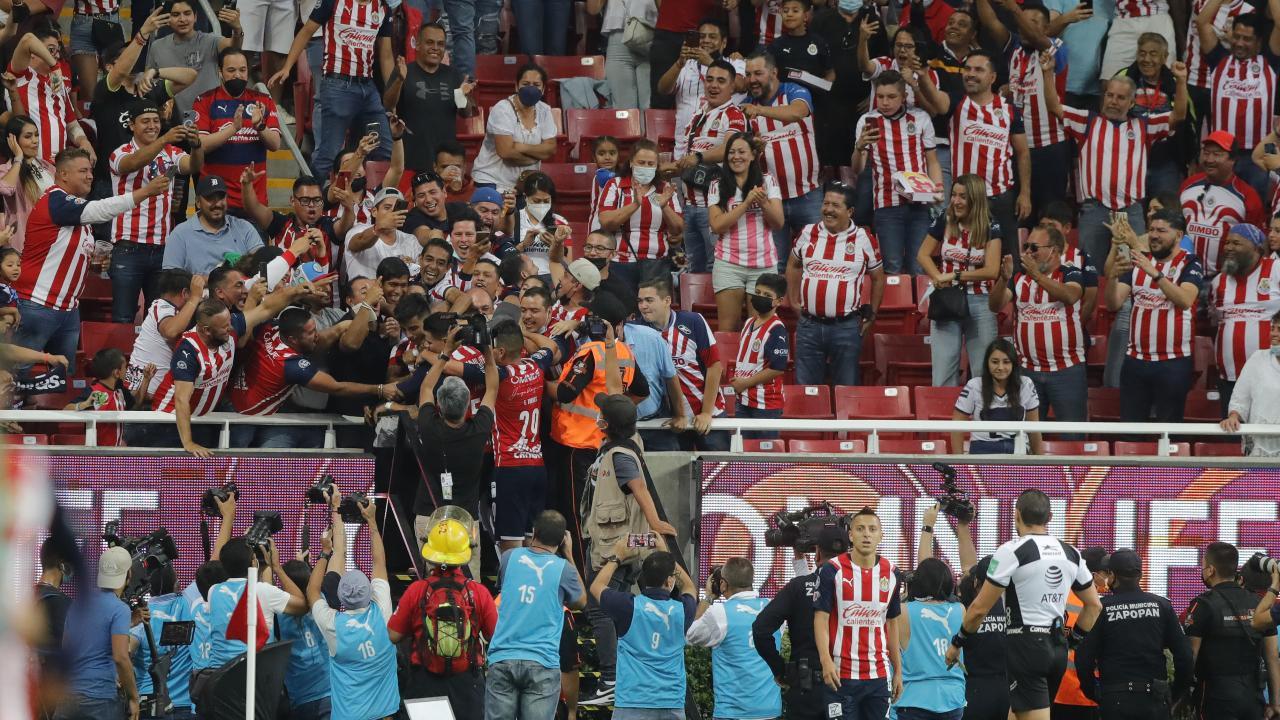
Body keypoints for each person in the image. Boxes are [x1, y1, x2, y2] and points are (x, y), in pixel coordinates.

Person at [945, 490, 1102, 720]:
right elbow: (1094, 606)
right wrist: (1071, 642)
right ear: (1049, 517)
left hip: (1026, 647)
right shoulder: (1071, 553)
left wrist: (957, 642)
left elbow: (979, 608)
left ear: (1016, 515)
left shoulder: (1012, 550)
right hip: (1056, 649)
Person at [12, 148, 170, 376]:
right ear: (63, 174)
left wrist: (93, 266)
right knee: (15, 376)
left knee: (62, 380)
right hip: (37, 304)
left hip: (68, 309)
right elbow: (101, 209)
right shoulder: (55, 199)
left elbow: (70, 252)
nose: (90, 176)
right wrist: (144, 192)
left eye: (91, 171)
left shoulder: (76, 212)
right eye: (83, 171)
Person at [579, 390, 679, 706]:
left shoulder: (621, 454)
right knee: (610, 608)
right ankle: (620, 673)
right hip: (608, 541)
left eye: (601, 414)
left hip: (615, 547)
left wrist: (656, 522)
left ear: (605, 423)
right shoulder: (613, 448)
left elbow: (639, 487)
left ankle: (611, 678)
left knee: (600, 608)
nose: (597, 416)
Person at [548, 292, 652, 573]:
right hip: (607, 445)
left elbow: (566, 391)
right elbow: (642, 392)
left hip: (578, 445)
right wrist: (618, 411)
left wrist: (541, 382)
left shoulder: (591, 352)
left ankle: (584, 580)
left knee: (578, 517)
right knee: (606, 516)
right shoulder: (625, 353)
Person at [1058, 69, 1188, 268]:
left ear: (1131, 102)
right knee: (1089, 269)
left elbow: (1178, 115)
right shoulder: (1087, 121)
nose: (1113, 101)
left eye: (1120, 97)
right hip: (1094, 208)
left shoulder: (1144, 126)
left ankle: (1126, 300)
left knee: (1130, 269)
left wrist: (1181, 81)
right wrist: (1048, 71)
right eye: (1109, 95)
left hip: (1130, 210)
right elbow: (1054, 107)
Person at [230, 305, 401, 445]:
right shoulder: (291, 365)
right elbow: (338, 387)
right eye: (311, 333)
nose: (317, 335)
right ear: (293, 339)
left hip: (239, 402)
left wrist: (340, 327)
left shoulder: (271, 328)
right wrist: (379, 389)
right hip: (242, 415)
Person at [389, 508, 498, 720]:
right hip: (467, 684)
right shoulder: (479, 593)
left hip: (425, 683)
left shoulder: (417, 590)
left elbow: (392, 635)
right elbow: (496, 636)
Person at [268, 0, 393, 183]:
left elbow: (386, 55)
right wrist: (287, 67)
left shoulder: (383, 8)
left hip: (369, 88)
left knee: (384, 147)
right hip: (337, 85)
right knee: (329, 154)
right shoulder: (333, 2)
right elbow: (306, 31)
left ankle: (374, 203)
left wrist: (394, 96)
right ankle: (311, 200)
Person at [465, 320, 558, 551]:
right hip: (537, 466)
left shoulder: (500, 375)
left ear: (501, 351)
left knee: (509, 540)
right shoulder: (536, 366)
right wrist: (524, 331)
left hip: (509, 467)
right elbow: (551, 347)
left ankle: (510, 585)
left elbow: (452, 368)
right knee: (533, 539)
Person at [306, 491, 400, 720]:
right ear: (370, 591)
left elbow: (312, 591)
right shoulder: (383, 615)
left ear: (340, 598)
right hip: (385, 715)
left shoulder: (333, 626)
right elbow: (379, 562)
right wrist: (371, 521)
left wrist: (325, 552)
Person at [485, 510, 587, 720]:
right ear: (562, 540)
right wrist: (568, 555)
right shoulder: (564, 569)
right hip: (541, 662)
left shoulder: (509, 557)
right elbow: (581, 601)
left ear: (533, 532)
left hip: (504, 656)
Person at [414, 325, 498, 579]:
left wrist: (446, 352)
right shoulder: (479, 429)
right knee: (468, 585)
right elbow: (492, 388)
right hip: (465, 518)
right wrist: (488, 352)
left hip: (429, 514)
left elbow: (425, 388)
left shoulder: (428, 425)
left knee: (431, 585)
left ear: (439, 404)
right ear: (467, 407)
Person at [1105, 207, 1204, 422]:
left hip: (1173, 362)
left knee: (1168, 431)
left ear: (1178, 235)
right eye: (1151, 230)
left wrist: (1155, 273)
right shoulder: (1137, 261)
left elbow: (1185, 300)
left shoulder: (1190, 263)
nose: (1154, 235)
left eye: (1162, 230)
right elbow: (1113, 303)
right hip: (1135, 361)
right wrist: (1112, 279)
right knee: (1131, 430)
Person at [108, 101, 204, 323]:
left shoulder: (171, 152)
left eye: (156, 121)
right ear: (131, 125)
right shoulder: (120, 153)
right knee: (123, 316)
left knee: (159, 316)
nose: (152, 126)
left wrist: (197, 145)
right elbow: (132, 164)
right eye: (145, 121)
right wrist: (164, 139)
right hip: (127, 246)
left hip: (162, 248)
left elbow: (193, 166)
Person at [1072, 549, 1194, 720]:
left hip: (1114, 700)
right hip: (1154, 699)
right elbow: (1185, 656)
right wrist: (1174, 693)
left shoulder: (1101, 608)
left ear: (1112, 576)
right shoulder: (1162, 606)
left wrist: (1094, 692)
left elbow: (1083, 658)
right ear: (1141, 575)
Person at [987, 225, 1088, 425]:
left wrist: (1038, 276)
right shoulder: (1018, 277)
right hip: (1027, 372)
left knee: (1073, 435)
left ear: (1054, 251)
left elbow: (1070, 295)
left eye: (1034, 248)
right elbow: (994, 305)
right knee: (1027, 437)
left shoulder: (1071, 273)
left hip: (1066, 371)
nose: (1027, 253)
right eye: (1026, 247)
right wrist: (1003, 279)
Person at [786, 182, 884, 386]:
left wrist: (872, 314)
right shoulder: (807, 232)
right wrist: (794, 301)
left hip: (846, 327)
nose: (828, 210)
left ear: (850, 211)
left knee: (846, 391)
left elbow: (878, 277)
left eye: (835, 205)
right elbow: (793, 265)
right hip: (808, 326)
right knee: (806, 391)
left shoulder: (864, 238)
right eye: (826, 203)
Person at [591, 536, 698, 719]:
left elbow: (596, 587)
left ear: (642, 576)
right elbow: (689, 587)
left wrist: (616, 557)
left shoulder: (628, 607)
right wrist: (666, 554)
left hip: (632, 701)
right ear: (670, 581)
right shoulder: (682, 610)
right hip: (670, 702)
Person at [814, 507, 903, 720]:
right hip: (840, 675)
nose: (866, 534)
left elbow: (892, 624)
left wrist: (898, 671)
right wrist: (825, 661)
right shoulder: (832, 570)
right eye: (860, 529)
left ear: (881, 535)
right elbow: (820, 619)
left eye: (872, 529)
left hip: (878, 676)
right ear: (850, 535)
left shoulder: (892, 573)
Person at [753, 525, 848, 720]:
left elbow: (761, 629)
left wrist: (780, 670)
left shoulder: (798, 587)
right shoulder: (861, 591)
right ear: (848, 556)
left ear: (817, 553)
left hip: (806, 688)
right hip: (847, 686)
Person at [852, 70, 942, 275]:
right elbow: (857, 169)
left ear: (904, 97)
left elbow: (933, 161)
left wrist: (938, 189)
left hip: (920, 203)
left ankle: (919, 308)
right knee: (891, 267)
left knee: (919, 267)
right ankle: (896, 307)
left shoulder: (920, 118)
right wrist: (859, 147)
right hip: (886, 205)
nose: (885, 102)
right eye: (881, 96)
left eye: (891, 97)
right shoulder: (867, 121)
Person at [918, 174, 1004, 387]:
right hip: (947, 300)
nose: (956, 201)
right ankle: (945, 418)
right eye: (954, 195)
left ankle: (980, 417)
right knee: (943, 372)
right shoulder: (944, 220)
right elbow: (923, 254)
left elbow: (992, 270)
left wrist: (955, 275)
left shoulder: (991, 226)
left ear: (975, 199)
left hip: (981, 301)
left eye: (962, 197)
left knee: (983, 375)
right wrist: (937, 277)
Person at [743, 50, 822, 270]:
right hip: (770, 200)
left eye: (758, 73)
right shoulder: (744, 107)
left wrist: (759, 111)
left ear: (774, 72)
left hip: (808, 194)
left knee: (814, 259)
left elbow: (798, 112)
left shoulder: (794, 91)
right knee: (774, 265)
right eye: (748, 74)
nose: (752, 80)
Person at [1184, 541, 1280, 720]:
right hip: (1253, 697)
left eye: (1203, 566)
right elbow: (1272, 657)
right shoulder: (1259, 604)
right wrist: (1276, 703)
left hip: (1215, 697)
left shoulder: (1202, 605)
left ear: (1211, 570)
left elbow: (1190, 655)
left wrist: (1181, 695)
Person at [1197, 4, 1280, 201]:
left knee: (1260, 207)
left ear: (1260, 42)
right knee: (1220, 206)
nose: (1240, 43)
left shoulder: (1270, 62)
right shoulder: (1218, 60)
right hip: (1222, 155)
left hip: (1261, 152)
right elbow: (1202, 22)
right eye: (1237, 36)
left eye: (1247, 39)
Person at [672, 58, 747, 274]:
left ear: (733, 86)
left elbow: (731, 149)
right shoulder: (698, 114)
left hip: (715, 206)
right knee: (694, 266)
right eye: (710, 79)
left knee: (716, 265)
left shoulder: (734, 115)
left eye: (721, 81)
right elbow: (688, 158)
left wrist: (698, 157)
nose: (714, 85)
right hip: (689, 205)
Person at [945, 49, 1030, 242]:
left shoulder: (1009, 109)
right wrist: (922, 77)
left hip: (1000, 197)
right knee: (966, 259)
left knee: (1008, 261)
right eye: (967, 69)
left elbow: (1023, 152)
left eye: (978, 70)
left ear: (992, 77)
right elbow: (935, 100)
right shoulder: (956, 102)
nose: (971, 74)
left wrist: (1025, 193)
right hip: (965, 199)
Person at [637, 277, 728, 451]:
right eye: (640, 301)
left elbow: (714, 367)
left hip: (708, 414)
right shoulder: (637, 330)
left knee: (716, 475)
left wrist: (706, 413)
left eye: (649, 300)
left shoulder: (693, 322)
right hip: (671, 421)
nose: (643, 306)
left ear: (667, 301)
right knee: (679, 476)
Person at [687, 557, 782, 720]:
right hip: (770, 710)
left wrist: (708, 598)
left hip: (733, 712)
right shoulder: (774, 607)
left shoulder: (719, 613)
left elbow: (690, 634)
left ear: (723, 584)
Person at [708, 132, 784, 331]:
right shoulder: (717, 185)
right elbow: (716, 226)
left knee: (760, 328)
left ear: (753, 155)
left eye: (742, 151)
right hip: (728, 264)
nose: (736, 156)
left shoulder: (768, 181)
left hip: (763, 265)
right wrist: (747, 203)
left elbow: (778, 223)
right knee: (728, 328)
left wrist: (763, 203)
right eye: (731, 152)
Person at [53, 546, 139, 720]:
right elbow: (121, 657)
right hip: (99, 701)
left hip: (67, 697)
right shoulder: (120, 610)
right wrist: (133, 698)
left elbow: (66, 648)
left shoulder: (78, 604)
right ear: (128, 575)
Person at [384, 23, 478, 182]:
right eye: (430, 42)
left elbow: (466, 112)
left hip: (443, 164)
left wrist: (463, 96)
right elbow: (388, 104)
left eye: (440, 44)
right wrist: (400, 80)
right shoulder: (404, 71)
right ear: (418, 45)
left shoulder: (453, 75)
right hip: (409, 161)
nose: (435, 47)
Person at [193, 48, 283, 211]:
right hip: (215, 202)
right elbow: (201, 145)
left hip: (254, 203)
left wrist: (260, 127)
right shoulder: (204, 101)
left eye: (242, 70)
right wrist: (233, 129)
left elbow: (275, 144)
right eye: (231, 70)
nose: (237, 75)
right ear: (220, 72)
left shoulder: (263, 101)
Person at [593, 140, 684, 288]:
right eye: (641, 162)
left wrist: (665, 207)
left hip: (657, 263)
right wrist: (635, 204)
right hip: (621, 261)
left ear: (656, 167)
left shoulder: (665, 189)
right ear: (631, 163)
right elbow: (606, 222)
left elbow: (678, 228)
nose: (646, 167)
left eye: (650, 164)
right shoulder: (615, 185)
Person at [1210, 223, 1280, 412]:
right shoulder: (1218, 282)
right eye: (1227, 243)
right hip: (1229, 379)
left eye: (1236, 243)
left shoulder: (1276, 269)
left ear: (1257, 248)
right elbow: (1215, 322)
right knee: (1231, 436)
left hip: (1272, 378)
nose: (1229, 248)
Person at [1180, 131, 1265, 275]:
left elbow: (1258, 244)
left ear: (1233, 160)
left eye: (1217, 154)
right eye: (1206, 153)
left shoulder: (1247, 196)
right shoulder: (1188, 185)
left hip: (1225, 278)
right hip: (1182, 276)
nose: (1209, 159)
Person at [11, 27, 95, 165]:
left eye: (57, 51)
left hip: (57, 169)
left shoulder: (58, 84)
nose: (56, 55)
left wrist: (84, 141)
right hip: (30, 167)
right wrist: (55, 66)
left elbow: (72, 124)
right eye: (50, 50)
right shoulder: (21, 75)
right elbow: (28, 39)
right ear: (32, 53)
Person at [657, 18, 744, 150]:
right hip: (685, 146)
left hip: (720, 147)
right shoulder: (685, 66)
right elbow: (663, 89)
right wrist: (679, 63)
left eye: (713, 37)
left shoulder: (735, 63)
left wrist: (710, 63)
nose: (706, 40)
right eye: (702, 37)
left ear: (724, 42)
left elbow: (740, 85)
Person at [896, 558, 966, 720]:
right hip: (952, 698)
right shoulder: (960, 610)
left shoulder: (903, 612)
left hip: (914, 699)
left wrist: (906, 596)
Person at [147, 0, 243, 117]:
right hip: (175, 122)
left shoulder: (210, 41)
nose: (182, 19)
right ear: (168, 19)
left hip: (212, 117)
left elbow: (235, 47)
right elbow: (149, 83)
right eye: (176, 15)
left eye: (187, 13)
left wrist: (237, 30)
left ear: (195, 17)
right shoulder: (157, 47)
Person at [471, 63, 558, 192]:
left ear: (544, 89)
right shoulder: (502, 109)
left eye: (536, 85)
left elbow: (551, 148)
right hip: (492, 180)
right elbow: (506, 153)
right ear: (516, 86)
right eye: (525, 84)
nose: (530, 89)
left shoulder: (544, 110)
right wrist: (537, 156)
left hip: (523, 183)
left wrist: (520, 146)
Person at [952, 337, 1042, 459]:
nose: (1000, 367)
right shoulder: (974, 385)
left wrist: (1039, 460)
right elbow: (957, 426)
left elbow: (1034, 428)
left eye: (1006, 362)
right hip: (982, 451)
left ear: (1013, 363)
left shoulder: (1026, 384)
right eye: (995, 362)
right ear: (987, 363)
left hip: (1017, 451)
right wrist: (959, 462)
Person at [162, 177, 265, 275]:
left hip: (241, 291)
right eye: (210, 198)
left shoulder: (244, 228)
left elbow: (263, 263)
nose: (217, 204)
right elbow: (170, 279)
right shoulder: (180, 234)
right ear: (198, 202)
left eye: (221, 198)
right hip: (199, 292)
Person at [732, 273, 789, 436]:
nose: (760, 297)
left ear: (779, 301)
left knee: (764, 456)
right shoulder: (749, 322)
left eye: (767, 295)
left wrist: (745, 383)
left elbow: (777, 368)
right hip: (743, 400)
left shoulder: (777, 329)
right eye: (757, 292)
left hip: (766, 405)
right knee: (742, 454)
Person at [276, 559, 332, 720]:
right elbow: (310, 587)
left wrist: (277, 569)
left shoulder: (277, 614)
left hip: (301, 700)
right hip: (331, 695)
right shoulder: (321, 601)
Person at [1220, 310, 1280, 455]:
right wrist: (1233, 416)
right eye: (1272, 328)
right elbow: (1240, 398)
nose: (1273, 334)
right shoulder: (1257, 358)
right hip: (1259, 447)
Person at [65, 349, 152, 447]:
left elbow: (136, 404)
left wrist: (146, 380)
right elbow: (66, 409)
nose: (127, 371)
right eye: (125, 367)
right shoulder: (95, 391)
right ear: (116, 373)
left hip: (117, 453)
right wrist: (85, 404)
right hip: (98, 454)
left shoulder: (120, 389)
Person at [0, 115, 56, 252]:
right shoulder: (5, 170)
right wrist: (18, 157)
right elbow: (7, 189)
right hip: (21, 247)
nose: (35, 141)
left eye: (36, 135)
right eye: (28, 136)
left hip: (50, 240)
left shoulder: (49, 167)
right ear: (13, 140)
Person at [590, 0, 657, 110]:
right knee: (623, 111)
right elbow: (593, 9)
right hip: (618, 40)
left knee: (649, 110)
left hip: (650, 35)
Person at [509, 171, 572, 276]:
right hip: (521, 279)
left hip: (551, 280)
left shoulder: (560, 223)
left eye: (546, 201)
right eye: (537, 201)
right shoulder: (514, 220)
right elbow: (505, 261)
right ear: (525, 197)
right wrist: (523, 245)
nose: (542, 205)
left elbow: (569, 265)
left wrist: (556, 246)